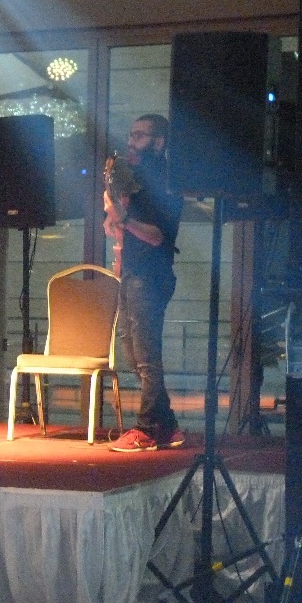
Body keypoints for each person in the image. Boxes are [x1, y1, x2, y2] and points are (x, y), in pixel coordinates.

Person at [103, 113, 185, 453]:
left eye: (140, 135)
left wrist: (123, 218)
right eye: (131, 134)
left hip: (151, 275)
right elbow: (118, 229)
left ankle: (148, 428)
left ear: (159, 142)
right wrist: (113, 216)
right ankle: (167, 425)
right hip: (131, 271)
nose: (131, 141)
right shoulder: (136, 180)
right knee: (133, 351)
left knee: (146, 355)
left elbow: (156, 236)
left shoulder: (165, 182)